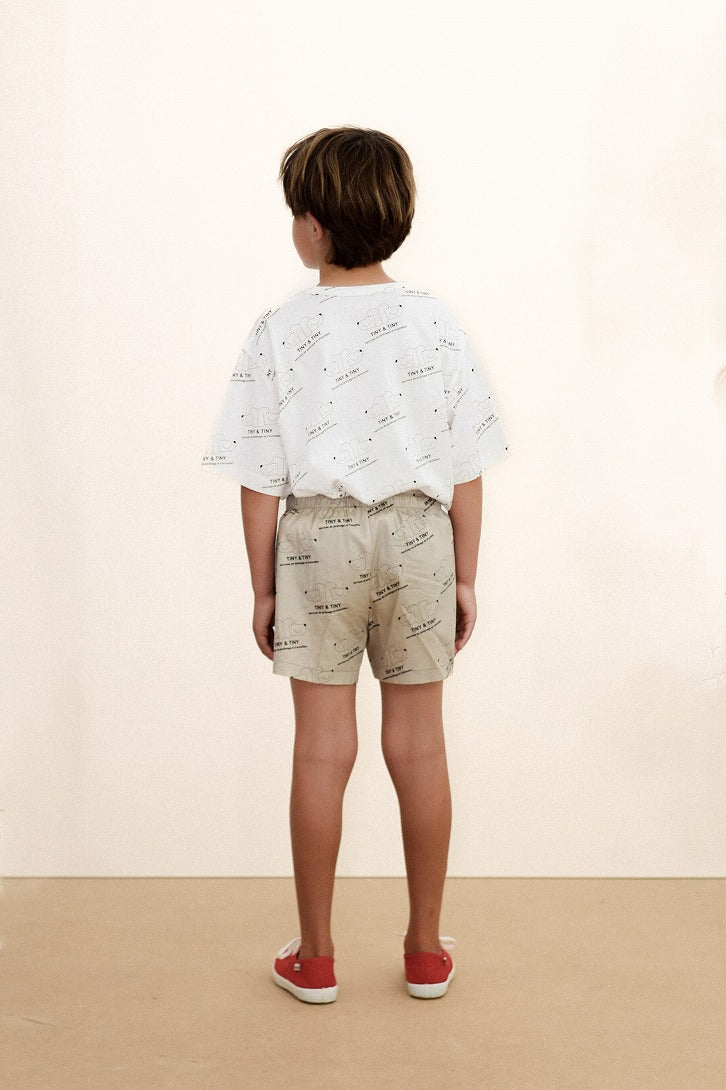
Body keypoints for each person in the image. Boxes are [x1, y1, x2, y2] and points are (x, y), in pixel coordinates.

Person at [202, 126, 510, 1003]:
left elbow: (259, 479)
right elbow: (466, 469)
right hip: (420, 535)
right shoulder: (436, 322)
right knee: (420, 745)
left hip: (318, 540)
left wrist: (263, 587)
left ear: (313, 226)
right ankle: (424, 950)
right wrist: (464, 575)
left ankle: (316, 956)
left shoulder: (279, 328)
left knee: (320, 750)